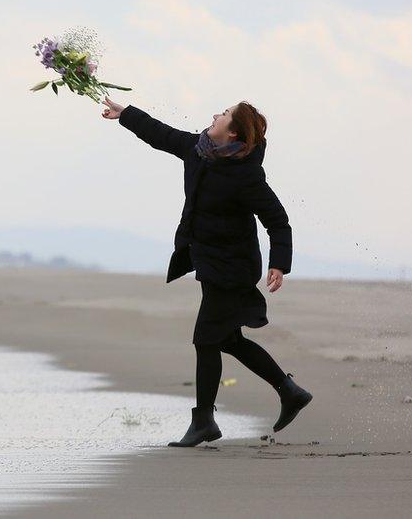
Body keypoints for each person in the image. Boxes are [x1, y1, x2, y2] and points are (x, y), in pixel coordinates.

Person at [102, 96, 313, 447]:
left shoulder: (246, 175)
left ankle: (204, 420)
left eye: (225, 115)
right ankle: (288, 391)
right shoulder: (198, 150)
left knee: (206, 340)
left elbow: (277, 220)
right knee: (227, 339)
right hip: (210, 261)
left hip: (233, 268)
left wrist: (279, 264)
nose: (215, 115)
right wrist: (126, 115)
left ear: (232, 135)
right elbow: (161, 134)